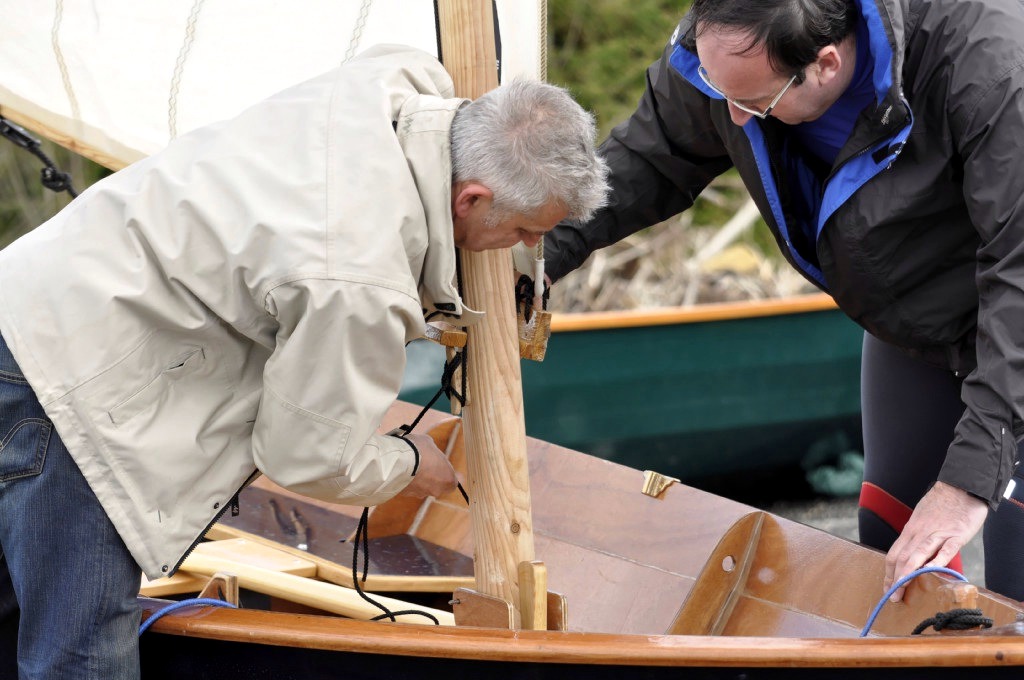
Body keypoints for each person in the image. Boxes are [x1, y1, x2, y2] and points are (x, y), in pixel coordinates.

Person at [0, 43, 608, 679]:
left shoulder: (391, 81)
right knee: (81, 648)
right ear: (471, 199)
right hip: (73, 383)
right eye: (524, 232)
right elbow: (302, 455)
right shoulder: (356, 277)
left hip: (29, 299)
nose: (531, 247)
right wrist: (407, 463)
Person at [541, 0, 1024, 603]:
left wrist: (966, 486)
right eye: (722, 95)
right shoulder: (727, 55)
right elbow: (646, 160)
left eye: (754, 103)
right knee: (889, 554)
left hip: (1015, 312)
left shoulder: (993, 65)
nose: (735, 120)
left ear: (825, 64)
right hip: (920, 325)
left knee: (1017, 572)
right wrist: (532, 256)